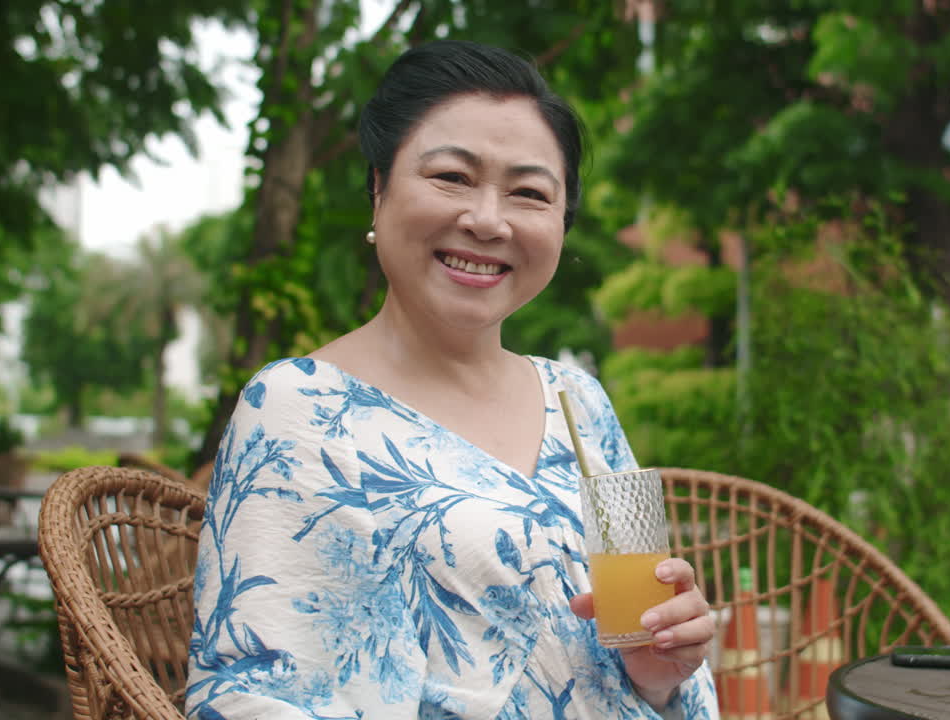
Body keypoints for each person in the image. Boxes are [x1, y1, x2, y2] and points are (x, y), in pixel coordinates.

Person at [186, 40, 720, 719]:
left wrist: (661, 669)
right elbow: (251, 696)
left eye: (529, 193)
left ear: (562, 223)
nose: (487, 220)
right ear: (378, 187)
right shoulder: (298, 408)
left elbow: (649, 640)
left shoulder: (579, 398)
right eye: (452, 177)